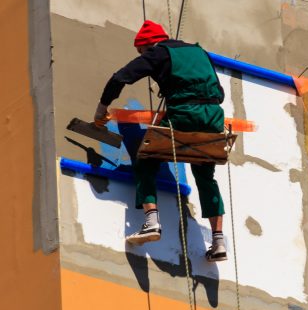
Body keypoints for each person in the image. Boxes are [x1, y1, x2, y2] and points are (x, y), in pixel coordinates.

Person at [93, 20, 229, 261]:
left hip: (184, 115)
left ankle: (152, 221)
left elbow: (120, 77)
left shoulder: (158, 53)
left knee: (145, 160)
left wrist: (102, 108)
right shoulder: (200, 52)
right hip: (214, 119)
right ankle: (218, 241)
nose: (143, 55)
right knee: (205, 176)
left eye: (141, 51)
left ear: (148, 45)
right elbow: (220, 92)